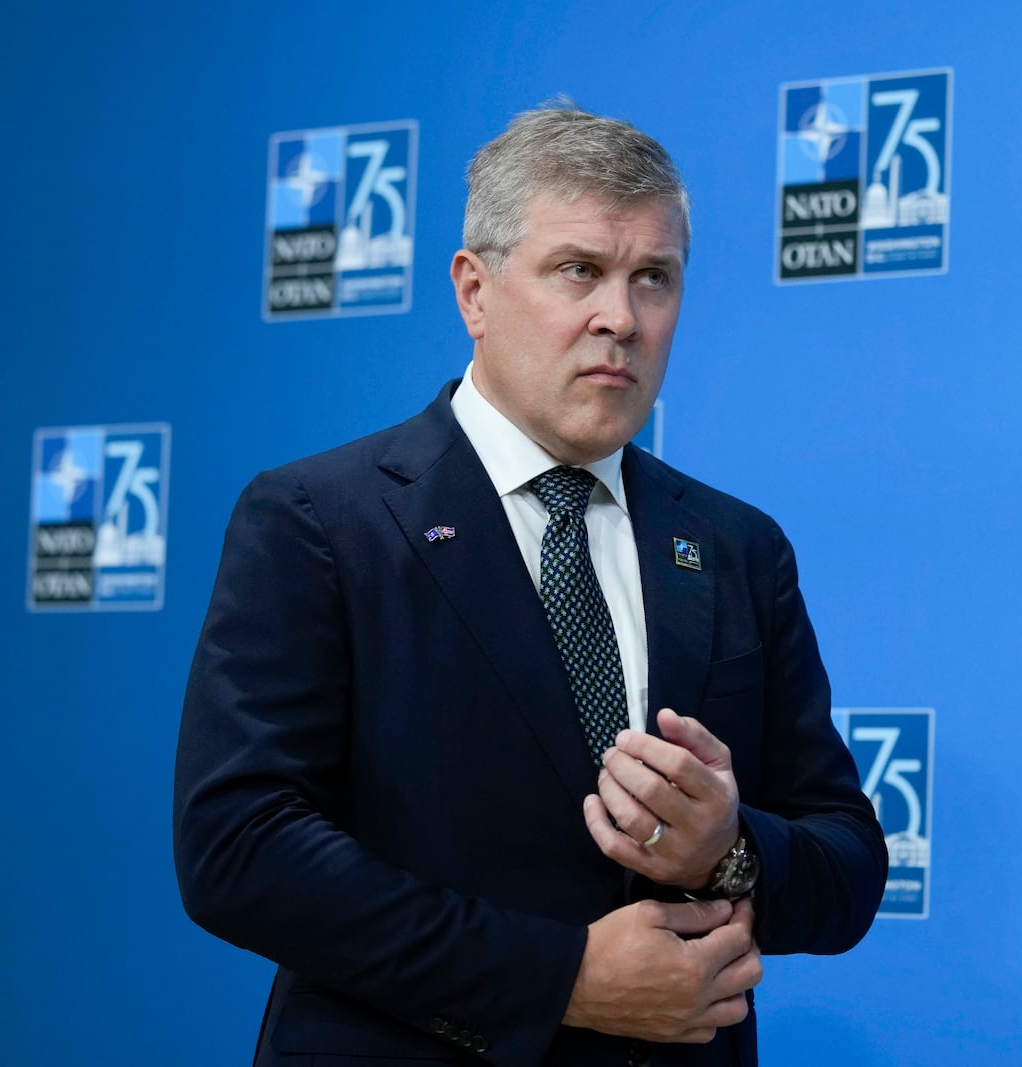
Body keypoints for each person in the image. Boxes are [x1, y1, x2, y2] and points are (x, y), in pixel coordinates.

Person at [174, 102, 887, 1067]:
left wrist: (726, 848)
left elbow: (847, 862)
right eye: (579, 271)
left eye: (654, 279)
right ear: (474, 290)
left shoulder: (736, 546)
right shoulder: (319, 520)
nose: (620, 318)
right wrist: (558, 978)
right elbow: (240, 848)